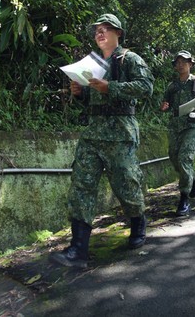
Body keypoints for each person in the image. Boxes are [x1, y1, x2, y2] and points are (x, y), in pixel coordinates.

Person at [50, 13, 154, 268]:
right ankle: (78, 250)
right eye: (97, 30)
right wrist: (80, 92)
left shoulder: (129, 59)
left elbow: (146, 87)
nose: (100, 33)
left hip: (120, 133)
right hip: (93, 133)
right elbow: (91, 98)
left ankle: (138, 222)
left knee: (126, 185)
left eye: (106, 28)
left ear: (118, 33)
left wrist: (112, 87)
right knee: (81, 186)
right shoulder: (93, 62)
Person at [160, 50, 195, 217]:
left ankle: (184, 198)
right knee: (174, 157)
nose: (181, 64)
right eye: (178, 62)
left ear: (190, 64)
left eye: (184, 61)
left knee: (184, 158)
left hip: (191, 125)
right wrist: (164, 107)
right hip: (175, 126)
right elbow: (164, 103)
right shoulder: (172, 86)